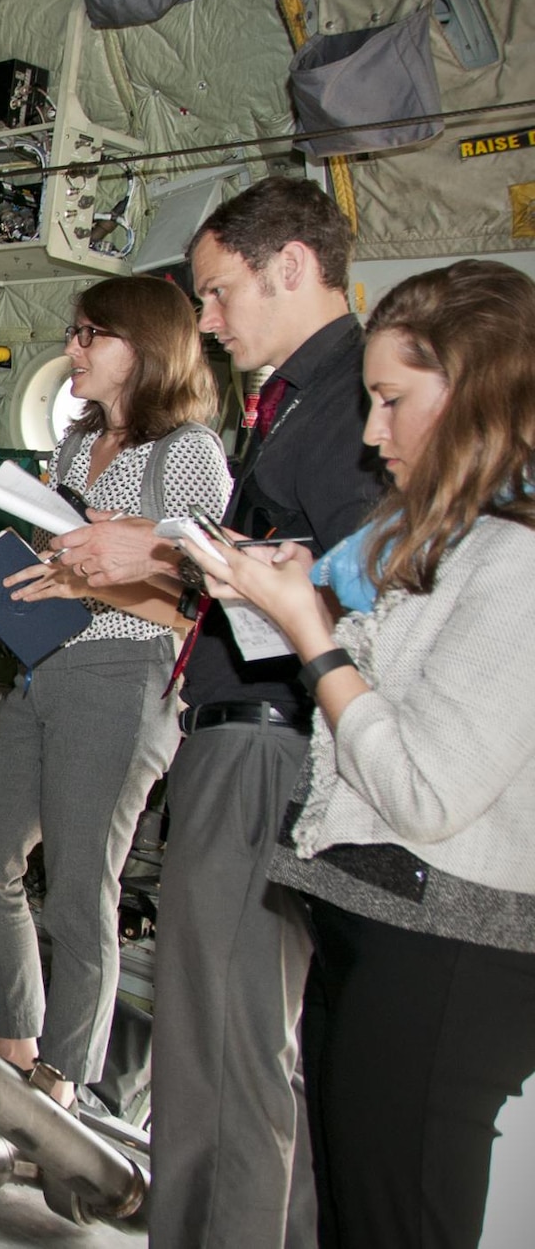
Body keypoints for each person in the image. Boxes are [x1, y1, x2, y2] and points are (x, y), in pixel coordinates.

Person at [49, 177, 387, 1249]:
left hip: (269, 745)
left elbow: (352, 583)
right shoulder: (293, 399)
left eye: (215, 292)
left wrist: (155, 550)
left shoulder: (341, 407)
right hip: (236, 734)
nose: (204, 320)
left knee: (233, 1041)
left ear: (289, 265)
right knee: (203, 1030)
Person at [178, 260, 535, 1249]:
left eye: (390, 401)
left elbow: (423, 788)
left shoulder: (518, 564)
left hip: (449, 945)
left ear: (473, 396)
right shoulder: (448, 543)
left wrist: (314, 636)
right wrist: (299, 598)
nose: (372, 433)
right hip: (377, 919)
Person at [0, 275, 229, 1111]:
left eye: (88, 335)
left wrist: (90, 586)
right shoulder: (73, 447)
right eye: (72, 332)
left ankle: (62, 1081)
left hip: (124, 677)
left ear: (139, 349)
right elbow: (60, 568)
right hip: (47, 671)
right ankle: (18, 1035)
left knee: (78, 890)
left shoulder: (185, 454)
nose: (71, 349)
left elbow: (198, 598)